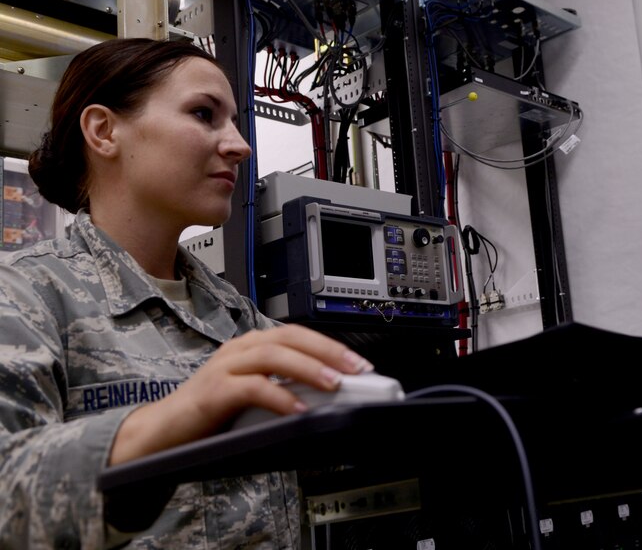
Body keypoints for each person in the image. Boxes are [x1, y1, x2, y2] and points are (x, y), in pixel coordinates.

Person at [0, 37, 374, 549]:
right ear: (104, 130)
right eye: (204, 114)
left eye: (235, 122)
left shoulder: (238, 317)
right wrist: (177, 418)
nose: (239, 145)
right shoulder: (25, 296)